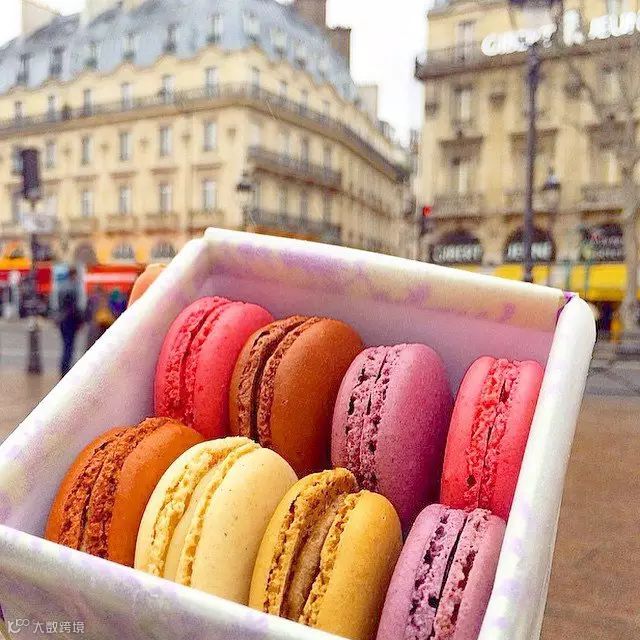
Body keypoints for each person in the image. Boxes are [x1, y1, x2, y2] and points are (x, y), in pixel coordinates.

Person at [57, 267, 83, 377]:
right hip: (71, 320)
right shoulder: (74, 287)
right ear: (73, 275)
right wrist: (80, 320)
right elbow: (75, 307)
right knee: (69, 346)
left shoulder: (62, 286)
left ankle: (63, 368)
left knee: (65, 344)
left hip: (62, 320)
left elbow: (59, 304)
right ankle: (65, 369)